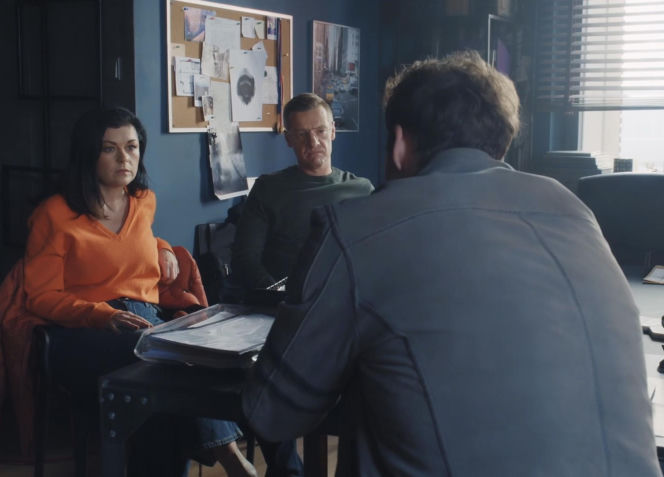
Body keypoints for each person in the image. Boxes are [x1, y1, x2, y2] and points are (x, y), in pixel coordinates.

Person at [242, 51, 661, 476]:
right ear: (501, 140)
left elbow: (271, 413)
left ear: (399, 145)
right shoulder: (574, 210)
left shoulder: (355, 225)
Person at [23, 107, 256, 477]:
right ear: (88, 153)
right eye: (109, 149)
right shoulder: (54, 214)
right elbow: (40, 295)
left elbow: (133, 243)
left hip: (145, 320)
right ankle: (231, 457)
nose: (124, 158)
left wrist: (162, 247)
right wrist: (100, 314)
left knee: (166, 387)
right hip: (81, 333)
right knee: (167, 361)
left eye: (131, 147)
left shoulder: (143, 200)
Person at [231, 93, 374, 289]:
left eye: (321, 131)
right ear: (289, 139)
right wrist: (278, 296)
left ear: (333, 131)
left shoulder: (362, 190)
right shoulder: (268, 189)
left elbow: (377, 254)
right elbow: (244, 261)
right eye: (301, 134)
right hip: (286, 300)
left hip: (348, 297)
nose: (313, 142)